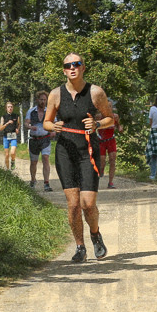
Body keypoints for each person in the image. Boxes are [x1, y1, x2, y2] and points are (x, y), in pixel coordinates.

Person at [43, 54, 115, 262]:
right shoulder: (56, 94)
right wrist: (53, 126)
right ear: (64, 70)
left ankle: (95, 234)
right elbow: (46, 122)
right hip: (65, 151)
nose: (72, 68)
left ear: (83, 68)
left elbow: (110, 118)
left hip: (88, 151)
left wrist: (98, 125)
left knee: (88, 204)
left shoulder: (96, 92)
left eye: (77, 64)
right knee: (73, 204)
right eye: (68, 65)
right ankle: (80, 247)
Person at [24, 90, 53, 191]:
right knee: (34, 162)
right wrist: (30, 127)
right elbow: (26, 123)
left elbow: (55, 123)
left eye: (45, 100)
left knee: (45, 158)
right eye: (41, 99)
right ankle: (32, 180)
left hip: (45, 139)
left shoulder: (49, 112)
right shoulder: (31, 111)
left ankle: (46, 183)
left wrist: (54, 131)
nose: (43, 102)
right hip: (34, 140)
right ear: (37, 100)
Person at [98, 98, 122, 189]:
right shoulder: (99, 117)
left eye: (110, 106)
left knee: (112, 160)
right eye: (107, 107)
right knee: (102, 161)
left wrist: (120, 128)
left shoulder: (115, 116)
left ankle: (110, 182)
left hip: (111, 140)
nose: (109, 108)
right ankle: (101, 170)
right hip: (101, 141)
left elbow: (118, 125)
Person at [0, 101, 20, 171]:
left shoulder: (16, 116)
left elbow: (19, 124)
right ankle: (7, 171)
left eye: (11, 107)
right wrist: (7, 123)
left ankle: (13, 161)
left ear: (13, 108)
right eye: (8, 107)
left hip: (13, 135)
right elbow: (0, 128)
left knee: (13, 152)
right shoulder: (3, 117)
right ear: (6, 108)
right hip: (6, 136)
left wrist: (17, 129)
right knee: (7, 155)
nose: (10, 108)